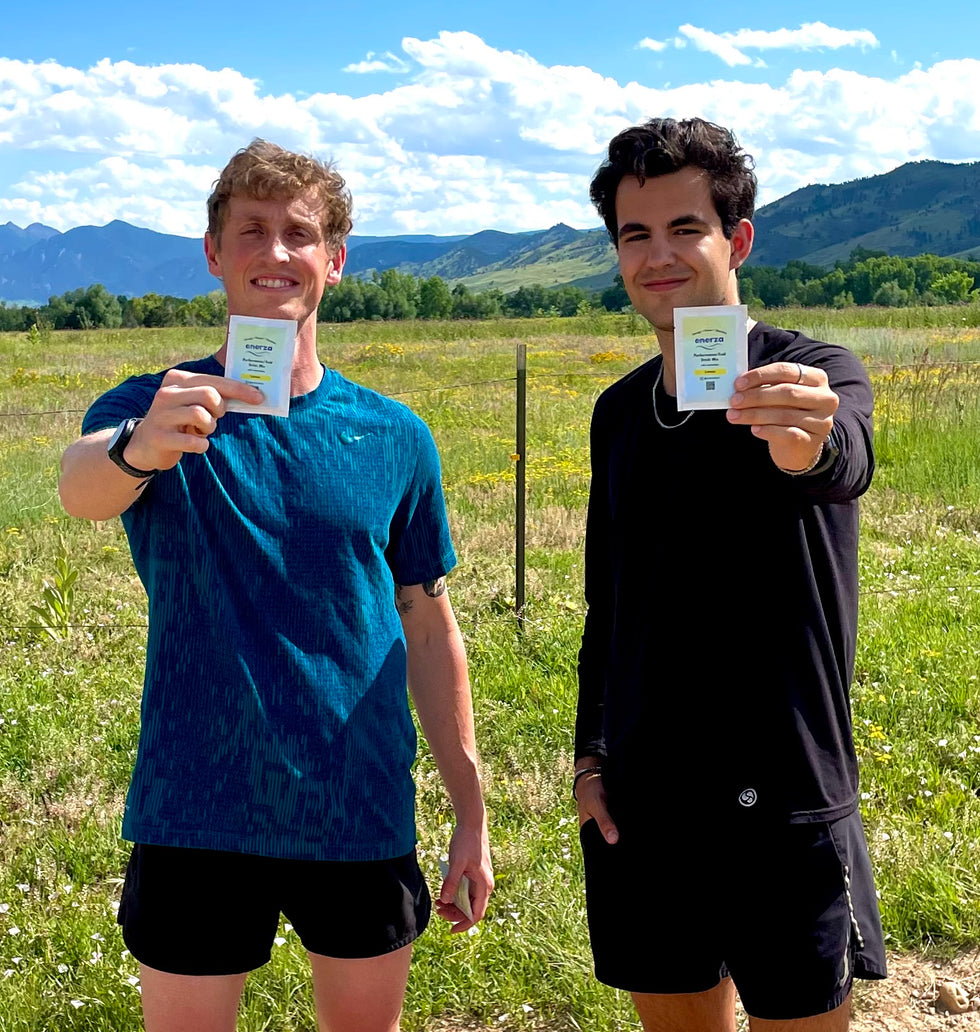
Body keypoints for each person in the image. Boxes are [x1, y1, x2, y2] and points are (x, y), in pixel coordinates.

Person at [58, 139, 494, 1032]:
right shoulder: (159, 407)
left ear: (334, 261)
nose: (277, 251)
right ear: (214, 254)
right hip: (196, 806)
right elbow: (80, 488)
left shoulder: (392, 434)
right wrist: (144, 444)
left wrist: (469, 805)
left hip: (357, 801)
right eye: (251, 230)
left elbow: (426, 620)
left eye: (301, 232)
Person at [574, 117, 886, 1031]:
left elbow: (843, 454)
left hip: (782, 797)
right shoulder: (620, 412)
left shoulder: (814, 375)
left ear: (736, 239)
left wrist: (809, 441)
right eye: (635, 235)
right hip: (646, 806)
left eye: (684, 229)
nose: (657, 256)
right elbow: (609, 602)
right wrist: (592, 751)